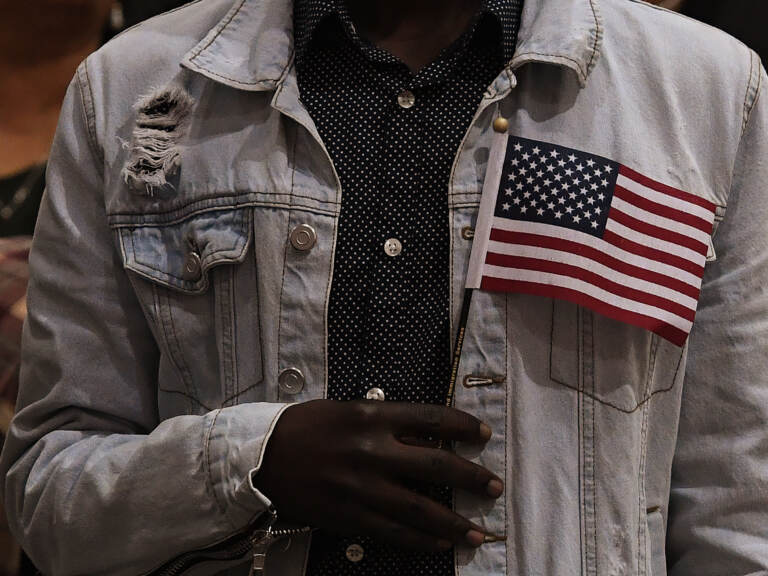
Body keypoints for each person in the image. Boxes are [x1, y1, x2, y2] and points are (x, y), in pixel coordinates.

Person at [1, 0, 767, 575]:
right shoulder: (134, 93)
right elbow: (47, 490)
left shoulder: (701, 95)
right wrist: (251, 463)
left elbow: (737, 507)